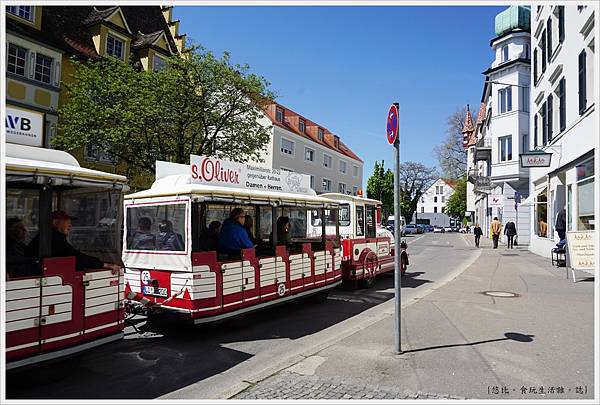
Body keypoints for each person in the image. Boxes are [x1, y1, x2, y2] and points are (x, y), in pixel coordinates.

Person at [26, 210, 120, 272]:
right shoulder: (54, 239)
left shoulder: (49, 237)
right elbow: (76, 257)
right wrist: (105, 265)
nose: (70, 225)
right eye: (66, 221)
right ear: (55, 222)